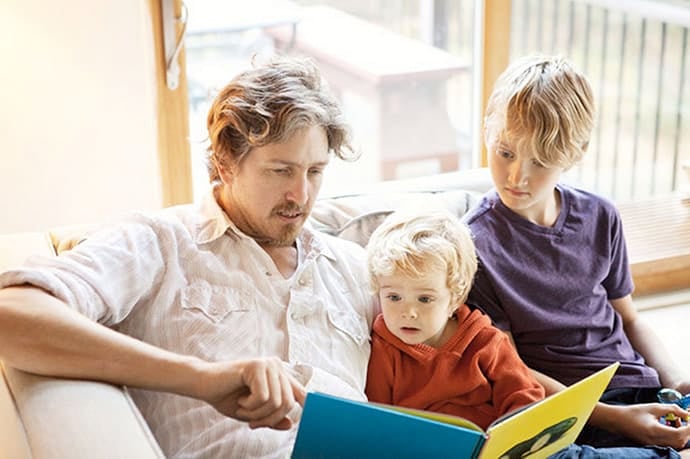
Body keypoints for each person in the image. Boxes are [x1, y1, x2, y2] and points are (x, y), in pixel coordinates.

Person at [0, 55, 378, 458]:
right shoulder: (161, 242)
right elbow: (12, 313)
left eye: (315, 172)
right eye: (280, 171)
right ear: (225, 162)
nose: (301, 196)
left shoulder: (355, 267)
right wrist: (201, 379)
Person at [463, 54, 690, 456]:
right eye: (505, 152)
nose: (517, 177)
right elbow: (509, 368)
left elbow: (630, 318)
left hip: (634, 386)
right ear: (486, 130)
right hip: (560, 408)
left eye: (541, 161)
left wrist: (676, 380)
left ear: (577, 152)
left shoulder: (600, 215)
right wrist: (612, 417)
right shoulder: (475, 244)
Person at [364, 209, 545, 430]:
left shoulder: (486, 341)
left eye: (424, 299)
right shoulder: (384, 348)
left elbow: (525, 398)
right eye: (394, 297)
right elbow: (377, 417)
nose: (408, 312)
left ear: (455, 299)